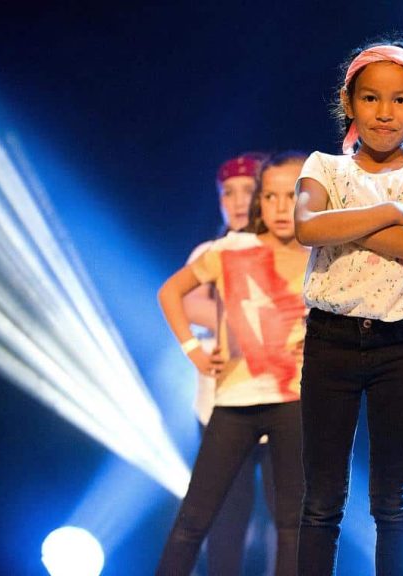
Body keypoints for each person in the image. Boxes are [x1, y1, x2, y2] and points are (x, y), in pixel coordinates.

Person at [292, 37, 403, 576]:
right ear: (349, 102)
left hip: (401, 345)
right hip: (331, 341)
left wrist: (345, 225)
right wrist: (388, 212)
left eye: (400, 100)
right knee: (321, 500)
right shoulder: (324, 167)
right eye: (370, 98)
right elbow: (307, 227)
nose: (385, 112)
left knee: (394, 501)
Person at [156, 152, 310, 576]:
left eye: (289, 195)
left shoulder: (319, 252)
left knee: (292, 522)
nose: (276, 205)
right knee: (205, 517)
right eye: (270, 196)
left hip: (293, 400)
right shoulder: (225, 250)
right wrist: (196, 348)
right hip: (230, 401)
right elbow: (176, 295)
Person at [183, 152, 278, 576]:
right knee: (225, 517)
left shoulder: (286, 248)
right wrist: (241, 323)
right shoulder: (210, 252)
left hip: (282, 401)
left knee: (288, 518)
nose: (238, 202)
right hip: (220, 406)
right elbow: (187, 302)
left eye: (249, 191)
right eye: (228, 193)